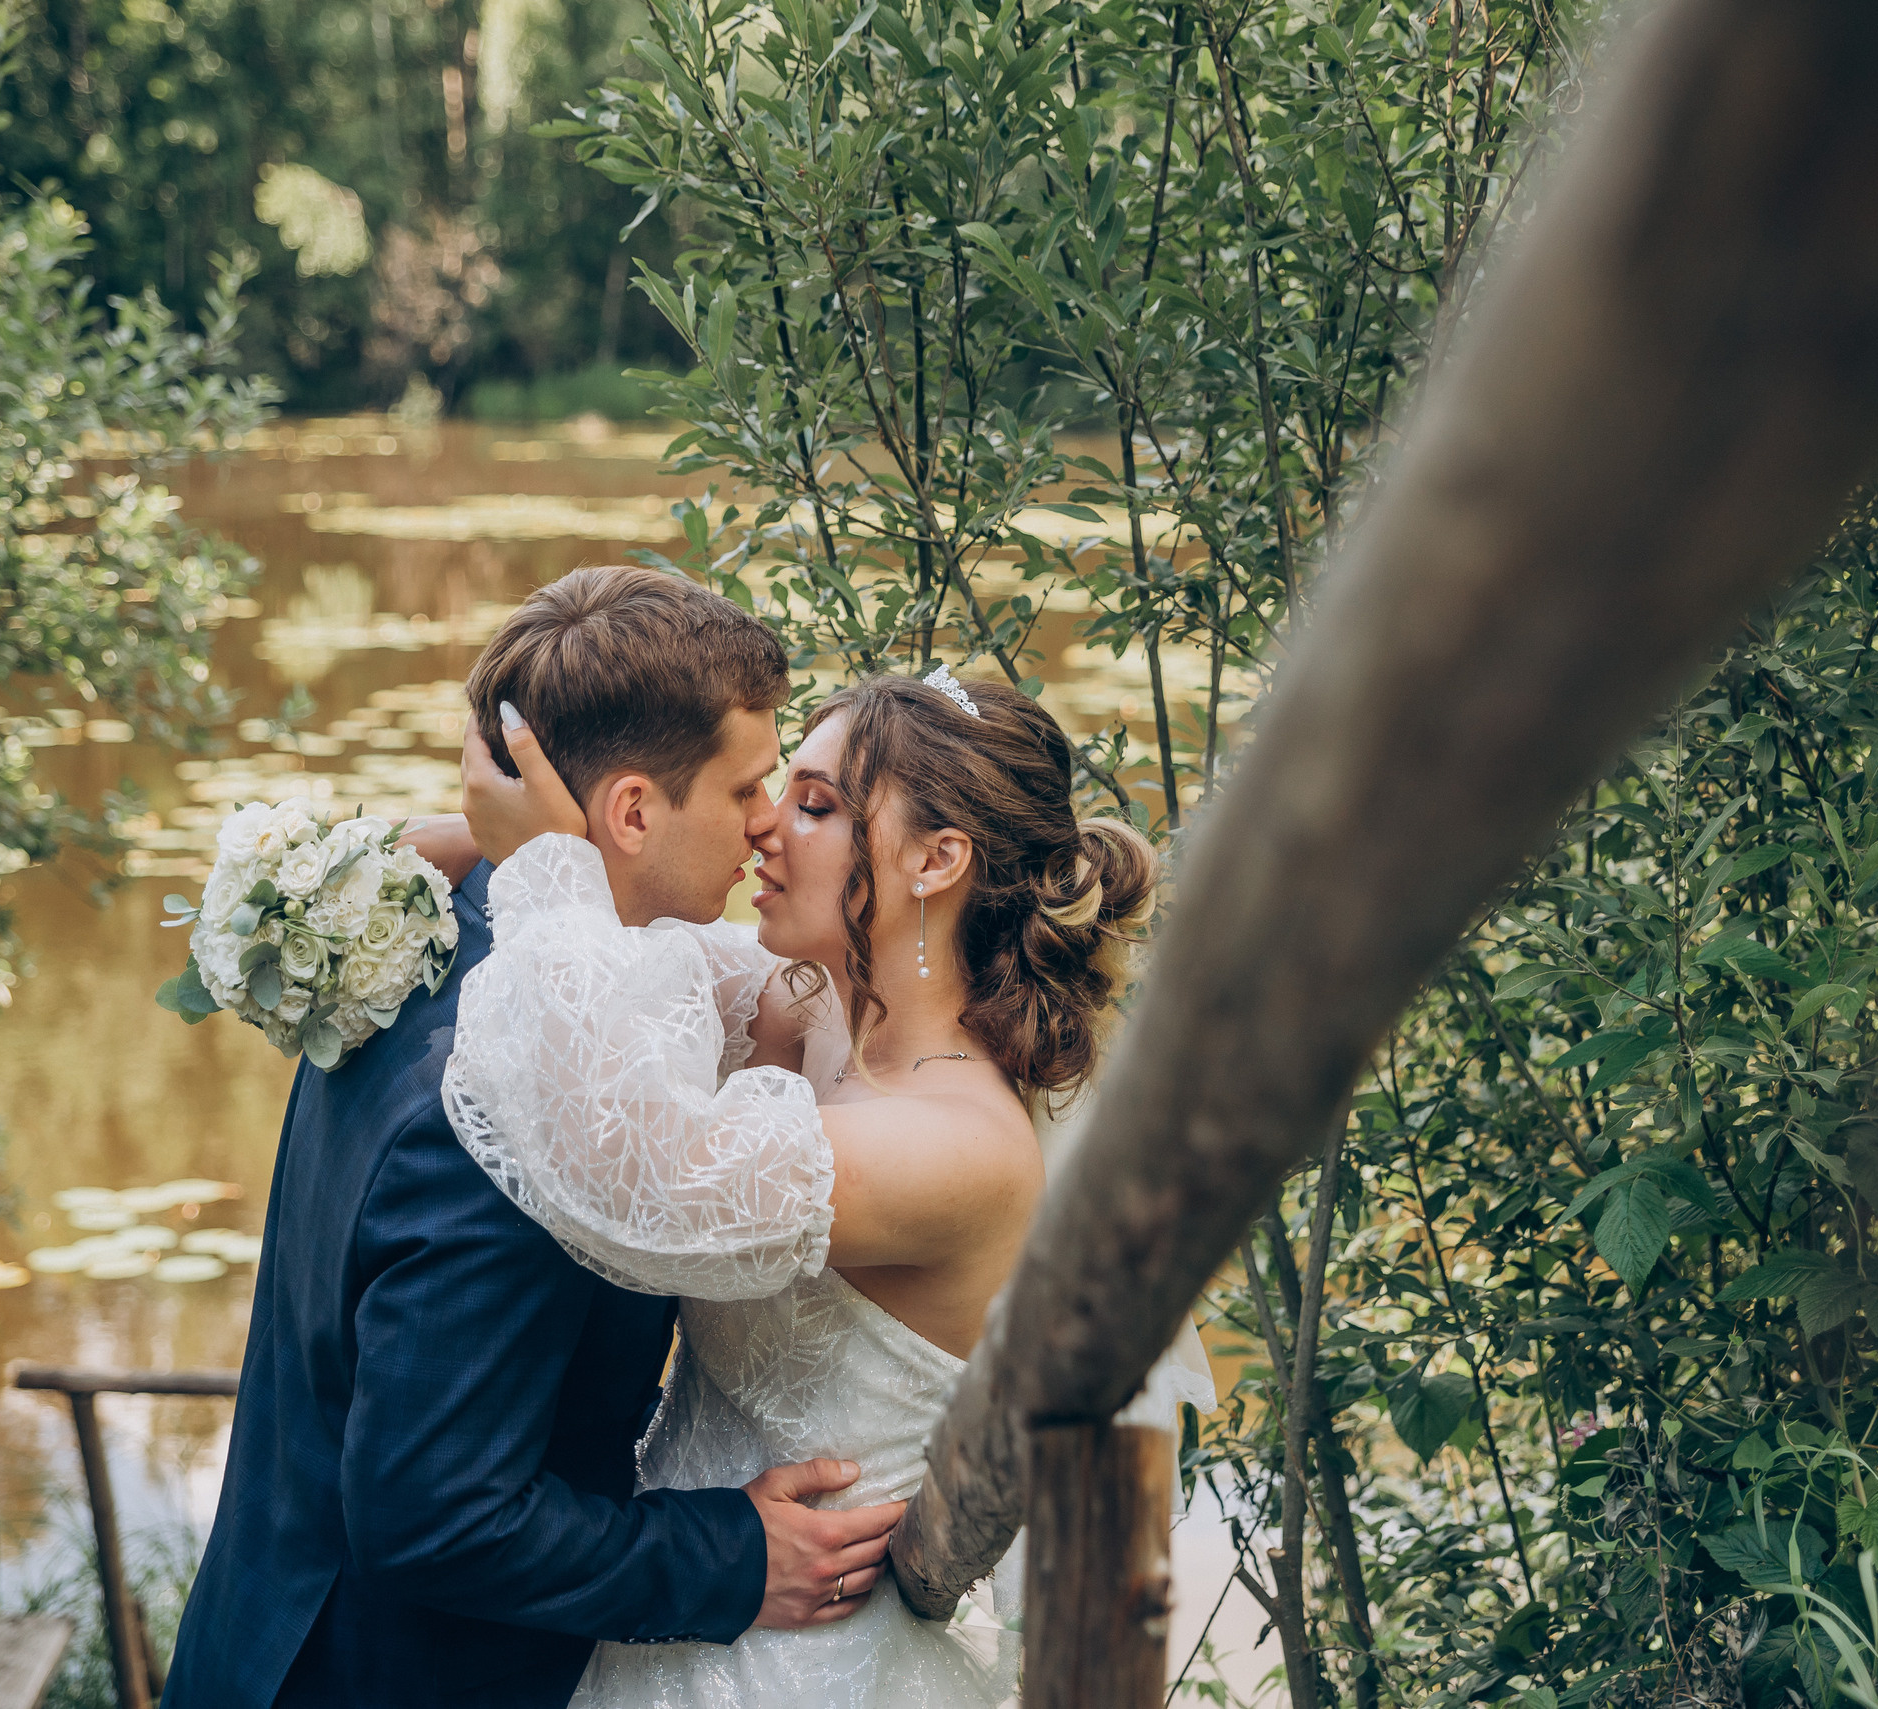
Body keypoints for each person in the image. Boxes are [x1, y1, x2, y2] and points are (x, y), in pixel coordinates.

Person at [163, 568, 903, 1709]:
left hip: (264, 1623)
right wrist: (732, 1556)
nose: (767, 820)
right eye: (751, 784)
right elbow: (434, 1512)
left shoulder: (425, 943)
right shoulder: (513, 1102)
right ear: (631, 813)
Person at [432, 660, 1206, 1706]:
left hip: (808, 1665)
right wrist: (475, 839)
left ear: (936, 860)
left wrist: (545, 866)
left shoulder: (963, 1146)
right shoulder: (815, 1009)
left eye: (815, 805)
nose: (764, 829)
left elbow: (638, 1163)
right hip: (678, 1623)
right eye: (773, 792)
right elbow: (632, 938)